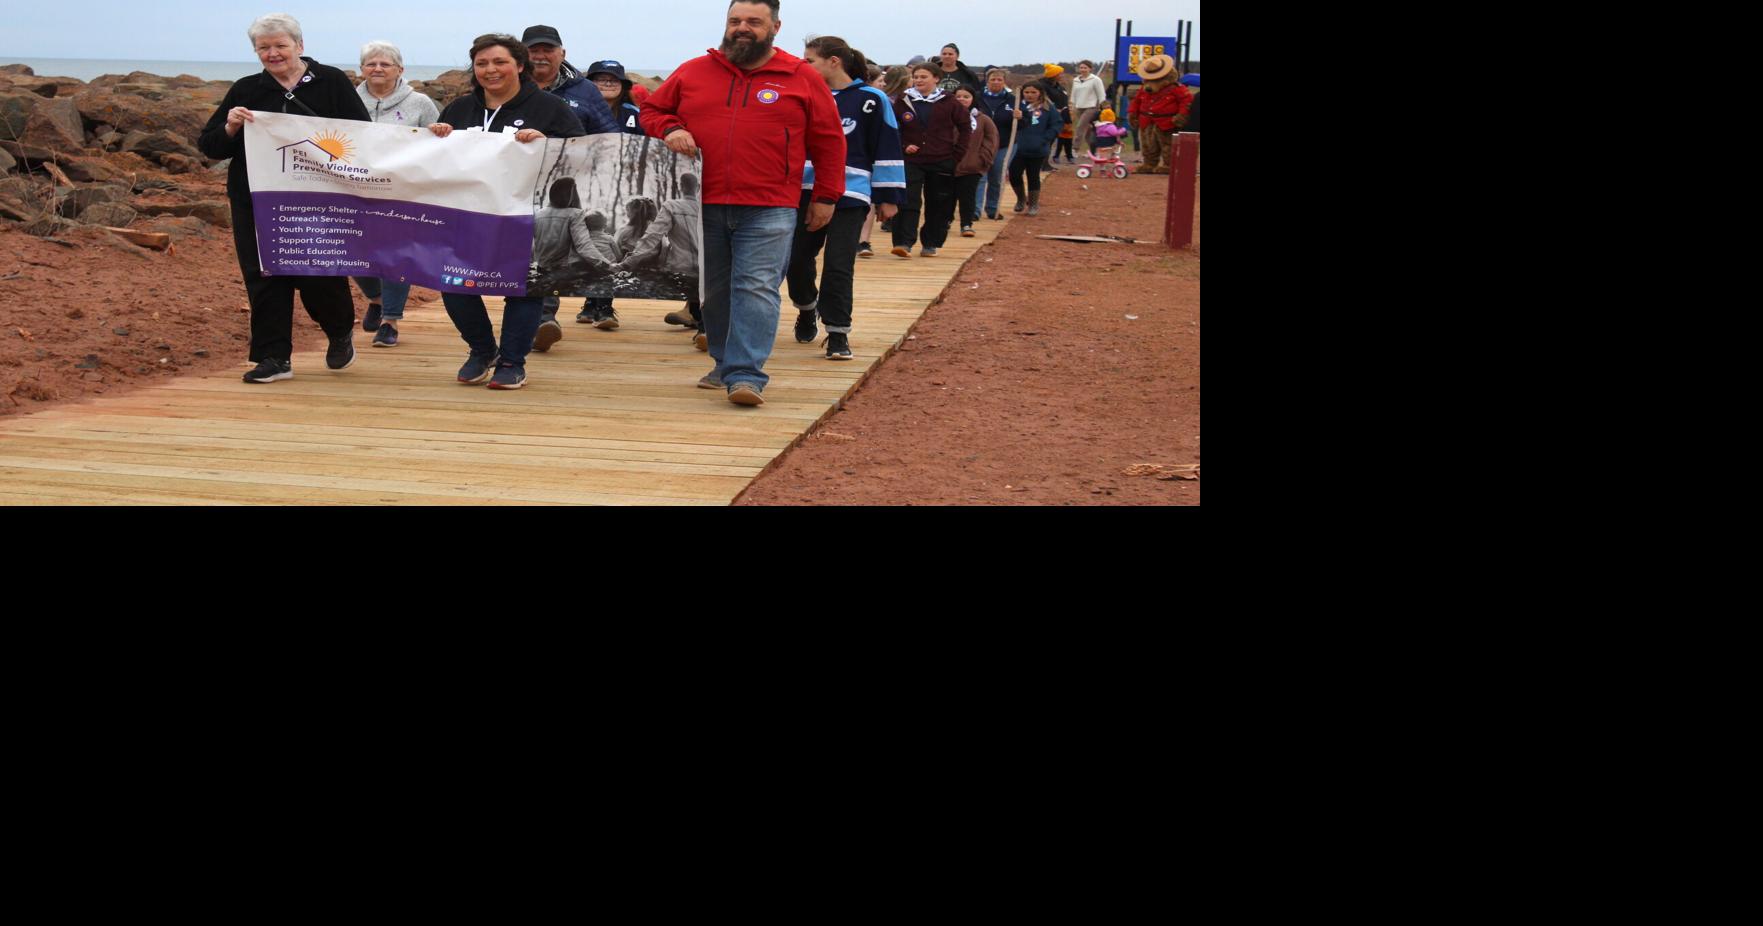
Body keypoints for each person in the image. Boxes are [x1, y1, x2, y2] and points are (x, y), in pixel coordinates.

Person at [640, 0, 846, 407]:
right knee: (714, 291)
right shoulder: (693, 71)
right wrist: (672, 127)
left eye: (754, 21)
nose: (742, 28)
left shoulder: (800, 75)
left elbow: (829, 140)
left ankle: (747, 374)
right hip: (703, 201)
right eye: (735, 21)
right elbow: (652, 109)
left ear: (775, 26)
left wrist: (825, 196)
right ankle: (723, 362)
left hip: (771, 203)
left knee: (756, 287)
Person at [198, 13, 370, 384]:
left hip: (318, 199)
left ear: (299, 45)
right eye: (264, 48)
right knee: (264, 275)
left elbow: (363, 136)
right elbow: (209, 146)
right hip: (255, 199)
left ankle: (339, 330)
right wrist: (230, 126)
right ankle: (274, 357)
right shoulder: (247, 88)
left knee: (317, 275)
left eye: (280, 45)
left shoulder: (332, 81)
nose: (273, 54)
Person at [428, 33, 585, 390]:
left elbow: (580, 155)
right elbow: (436, 159)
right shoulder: (460, 108)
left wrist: (548, 144)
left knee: (523, 288)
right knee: (453, 284)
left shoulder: (549, 107)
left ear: (519, 65)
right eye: (482, 63)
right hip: (465, 214)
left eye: (499, 62)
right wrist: (436, 136)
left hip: (525, 214)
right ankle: (482, 350)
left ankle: (513, 361)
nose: (490, 70)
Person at [787, 36, 903, 361]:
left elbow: (887, 146)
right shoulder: (802, 95)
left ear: (833, 61)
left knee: (839, 264)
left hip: (851, 194)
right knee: (796, 261)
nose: (802, 65)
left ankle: (838, 333)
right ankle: (807, 308)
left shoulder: (872, 99)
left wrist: (888, 196)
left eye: (809, 60)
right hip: (804, 192)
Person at [522, 25, 620, 349]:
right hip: (518, 180)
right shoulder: (513, 86)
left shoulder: (584, 90)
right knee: (526, 251)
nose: (540, 55)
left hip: (566, 182)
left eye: (547, 49)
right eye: (533, 50)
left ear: (562, 53)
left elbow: (607, 133)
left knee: (554, 245)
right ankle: (532, 317)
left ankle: (544, 317)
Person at [352, 39, 440, 348]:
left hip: (403, 192)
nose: (377, 68)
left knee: (396, 256)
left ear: (399, 69)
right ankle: (376, 298)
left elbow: (439, 142)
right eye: (370, 63)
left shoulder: (420, 102)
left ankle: (390, 321)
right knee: (352, 252)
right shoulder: (346, 100)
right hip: (354, 189)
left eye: (385, 64)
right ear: (361, 69)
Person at [578, 59, 645, 331]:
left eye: (613, 80)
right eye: (600, 79)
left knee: (606, 242)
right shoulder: (579, 110)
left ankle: (604, 306)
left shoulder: (632, 112)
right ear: (588, 84)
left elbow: (648, 144)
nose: (607, 84)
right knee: (588, 241)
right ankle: (590, 303)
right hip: (585, 185)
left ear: (623, 86)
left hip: (620, 187)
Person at [890, 62, 969, 258]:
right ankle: (903, 242)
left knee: (938, 202)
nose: (918, 80)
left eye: (923, 77)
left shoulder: (949, 101)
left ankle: (931, 242)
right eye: (916, 77)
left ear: (936, 78)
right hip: (912, 160)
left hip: (942, 159)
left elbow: (965, 127)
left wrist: (957, 155)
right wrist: (903, 146)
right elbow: (893, 128)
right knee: (908, 200)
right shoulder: (903, 100)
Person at [1127, 54, 1190, 174]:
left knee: (1168, 145)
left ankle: (1169, 165)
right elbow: (1137, 101)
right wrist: (1132, 114)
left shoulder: (1176, 89)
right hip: (1146, 121)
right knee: (1148, 145)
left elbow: (1186, 101)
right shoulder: (1144, 88)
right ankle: (1149, 164)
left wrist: (1181, 116)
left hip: (1167, 122)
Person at [1007, 82, 1061, 216]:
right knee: (1014, 174)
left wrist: (1045, 139)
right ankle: (1021, 199)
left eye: (1033, 92)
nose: (1030, 95)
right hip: (1018, 147)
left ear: (1040, 93)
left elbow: (1056, 124)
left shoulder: (1048, 108)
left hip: (1038, 148)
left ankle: (1033, 204)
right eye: (1027, 92)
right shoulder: (1017, 106)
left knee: (1033, 176)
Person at [950, 86, 996, 237]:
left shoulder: (983, 120)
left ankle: (966, 224)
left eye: (966, 96)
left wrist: (982, 158)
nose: (962, 99)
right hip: (947, 164)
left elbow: (991, 139)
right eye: (958, 96)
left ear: (973, 99)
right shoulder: (944, 116)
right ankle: (945, 221)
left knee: (967, 196)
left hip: (971, 165)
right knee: (947, 196)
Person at [973, 68, 1014, 220]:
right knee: (980, 176)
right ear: (987, 81)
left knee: (996, 176)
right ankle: (975, 210)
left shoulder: (1012, 100)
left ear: (1004, 82)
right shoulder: (977, 98)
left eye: (999, 80)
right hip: (981, 143)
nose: (996, 83)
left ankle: (992, 208)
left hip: (1003, 143)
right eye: (993, 80)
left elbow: (1024, 123)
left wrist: (1020, 117)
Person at [1035, 63, 1070, 169]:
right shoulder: (1042, 86)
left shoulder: (1058, 86)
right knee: (1045, 139)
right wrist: (1053, 109)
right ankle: (1041, 164)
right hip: (1046, 115)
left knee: (1051, 139)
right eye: (1060, 74)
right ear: (1054, 75)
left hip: (1059, 116)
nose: (1062, 75)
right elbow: (1042, 99)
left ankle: (1045, 163)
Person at [1068, 59, 1106, 154]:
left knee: (1080, 126)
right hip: (1079, 107)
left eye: (1085, 68)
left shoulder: (1095, 80)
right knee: (1088, 131)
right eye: (1081, 67)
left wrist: (1103, 106)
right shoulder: (1076, 80)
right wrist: (1072, 105)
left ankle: (1074, 149)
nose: (1083, 69)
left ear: (1090, 69)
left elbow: (1101, 94)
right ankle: (1094, 151)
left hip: (1091, 107)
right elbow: (1074, 94)